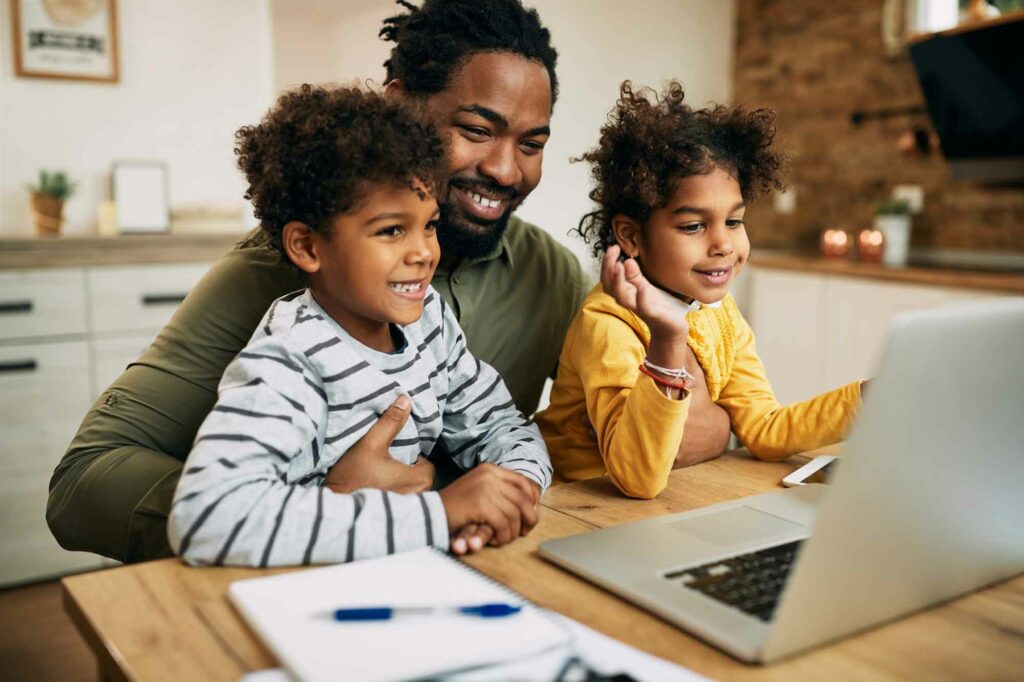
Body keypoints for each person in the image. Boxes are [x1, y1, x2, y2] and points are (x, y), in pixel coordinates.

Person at [47, 0, 730, 564]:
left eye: (531, 144)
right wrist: (334, 504)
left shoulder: (548, 276)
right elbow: (82, 486)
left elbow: (622, 431)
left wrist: (715, 413)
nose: (504, 169)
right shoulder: (275, 288)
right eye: (475, 129)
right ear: (401, 108)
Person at [169, 86, 549, 566]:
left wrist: (512, 492)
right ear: (307, 247)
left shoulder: (429, 319)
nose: (424, 253)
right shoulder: (293, 357)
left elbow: (501, 425)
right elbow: (208, 517)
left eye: (428, 225)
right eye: (392, 230)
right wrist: (437, 513)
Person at [536, 82, 864, 499]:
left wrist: (867, 400)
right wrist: (668, 339)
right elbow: (638, 477)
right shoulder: (607, 322)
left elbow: (763, 429)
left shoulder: (719, 314)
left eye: (734, 221)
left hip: (675, 499)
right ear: (631, 235)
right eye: (693, 226)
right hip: (578, 509)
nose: (723, 244)